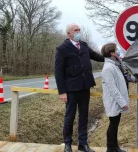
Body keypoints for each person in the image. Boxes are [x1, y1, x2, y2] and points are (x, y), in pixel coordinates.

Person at [55, 23, 104, 152]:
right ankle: (67, 144)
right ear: (69, 34)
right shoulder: (62, 49)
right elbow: (58, 72)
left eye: (79, 30)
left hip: (85, 87)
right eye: (76, 30)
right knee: (69, 116)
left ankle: (83, 144)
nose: (78, 32)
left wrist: (110, 56)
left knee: (84, 116)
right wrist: (62, 92)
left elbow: (97, 56)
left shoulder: (84, 45)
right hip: (71, 89)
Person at [101, 43, 129, 152]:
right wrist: (122, 102)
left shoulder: (114, 64)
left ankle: (115, 147)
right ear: (112, 53)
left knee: (115, 124)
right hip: (114, 101)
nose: (118, 51)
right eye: (116, 50)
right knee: (113, 124)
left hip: (117, 101)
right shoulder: (108, 68)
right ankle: (110, 148)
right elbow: (113, 89)